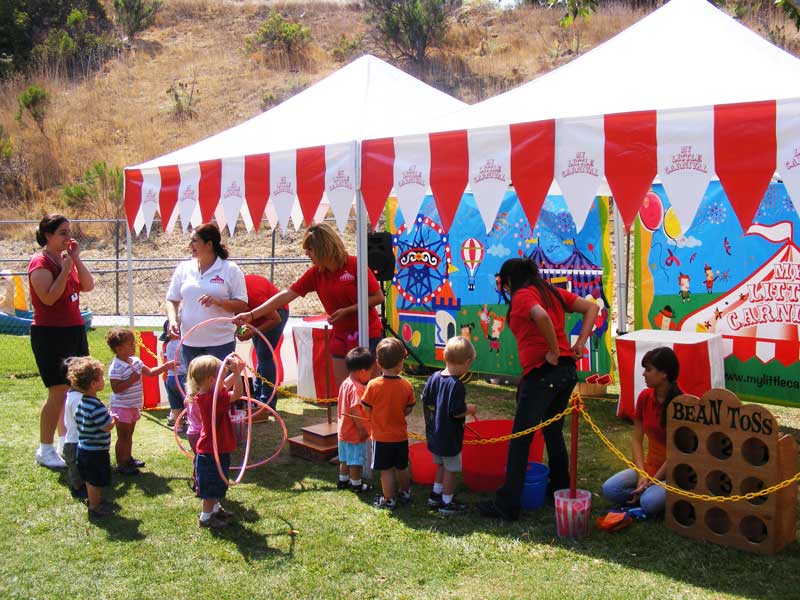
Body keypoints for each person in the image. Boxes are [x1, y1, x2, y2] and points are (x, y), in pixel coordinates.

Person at [478, 258, 599, 521]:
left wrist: (554, 350)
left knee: (521, 438)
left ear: (509, 280)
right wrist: (578, 344)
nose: (505, 289)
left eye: (503, 284)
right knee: (553, 431)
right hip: (566, 373)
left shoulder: (523, 296)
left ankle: (507, 503)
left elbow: (540, 316)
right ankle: (558, 487)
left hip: (544, 374)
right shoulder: (549, 291)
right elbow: (592, 307)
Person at [235, 222, 385, 390]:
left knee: (371, 391)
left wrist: (347, 311)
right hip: (340, 337)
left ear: (323, 248)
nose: (306, 253)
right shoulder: (316, 273)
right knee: (346, 390)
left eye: (310, 249)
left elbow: (378, 297)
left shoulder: (354, 264)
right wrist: (252, 315)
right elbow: (287, 294)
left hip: (367, 333)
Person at [28, 214, 94, 469]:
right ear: (48, 235)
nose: (69, 237)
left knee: (74, 390)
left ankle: (67, 443)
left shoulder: (67, 259)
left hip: (74, 329)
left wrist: (75, 259)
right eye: (63, 233)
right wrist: (66, 268)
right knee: (57, 390)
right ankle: (45, 449)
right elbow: (48, 298)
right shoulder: (41, 262)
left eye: (69, 231)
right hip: (50, 333)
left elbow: (87, 285)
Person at [601, 347, 682, 517]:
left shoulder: (682, 404)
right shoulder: (645, 397)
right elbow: (636, 439)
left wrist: (651, 481)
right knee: (609, 489)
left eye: (648, 369)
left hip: (675, 473)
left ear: (664, 374)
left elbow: (677, 453)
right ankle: (645, 495)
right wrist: (642, 474)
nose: (644, 374)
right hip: (650, 467)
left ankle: (648, 497)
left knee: (648, 502)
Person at [165, 222, 248, 379]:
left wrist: (219, 302)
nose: (191, 245)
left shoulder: (230, 269)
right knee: (196, 392)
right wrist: (172, 321)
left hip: (220, 342)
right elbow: (171, 299)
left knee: (220, 390)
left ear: (209, 244)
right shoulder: (184, 268)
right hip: (190, 341)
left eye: (195, 241)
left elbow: (242, 304)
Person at [106, 328, 174, 474]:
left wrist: (166, 367)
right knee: (123, 436)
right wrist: (131, 380)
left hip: (132, 406)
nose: (134, 345)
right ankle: (121, 464)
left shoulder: (136, 361)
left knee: (129, 435)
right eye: (131, 344)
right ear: (119, 349)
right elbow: (116, 388)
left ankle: (128, 458)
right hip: (122, 407)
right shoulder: (116, 368)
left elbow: (150, 372)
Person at [421, 336, 477, 515]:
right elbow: (456, 411)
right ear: (467, 362)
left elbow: (425, 398)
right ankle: (447, 502)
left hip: (434, 434)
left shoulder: (434, 377)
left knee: (441, 466)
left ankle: (435, 496)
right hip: (449, 437)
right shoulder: (457, 385)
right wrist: (469, 409)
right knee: (451, 470)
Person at [186, 354, 243, 529]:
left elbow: (223, 384)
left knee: (218, 481)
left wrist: (236, 371)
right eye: (221, 375)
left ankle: (216, 509)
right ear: (212, 380)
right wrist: (238, 375)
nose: (223, 380)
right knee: (211, 486)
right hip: (212, 449)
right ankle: (205, 518)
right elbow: (237, 393)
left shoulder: (206, 392)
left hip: (215, 447)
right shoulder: (213, 399)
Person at [361, 338, 415, 510]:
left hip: (381, 436)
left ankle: (388, 498)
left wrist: (376, 416)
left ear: (378, 362)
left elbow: (366, 407)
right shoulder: (406, 385)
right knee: (401, 467)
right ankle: (405, 491)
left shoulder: (373, 385)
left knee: (386, 470)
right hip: (400, 436)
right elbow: (408, 409)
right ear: (401, 363)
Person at [70, 357, 117, 517]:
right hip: (95, 452)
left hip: (83, 449)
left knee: (90, 479)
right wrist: (113, 418)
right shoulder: (96, 406)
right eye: (101, 378)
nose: (104, 380)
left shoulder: (83, 402)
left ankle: (94, 501)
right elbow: (106, 426)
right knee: (94, 481)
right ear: (93, 384)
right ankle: (95, 506)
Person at [236, 273, 289, 411]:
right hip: (257, 317)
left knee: (264, 355)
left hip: (277, 313)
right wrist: (240, 332)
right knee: (260, 355)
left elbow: (275, 319)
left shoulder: (252, 293)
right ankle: (258, 398)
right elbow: (238, 318)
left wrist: (252, 332)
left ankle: (267, 402)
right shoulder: (232, 294)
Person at [336, 346, 374, 493]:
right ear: (362, 371)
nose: (371, 375)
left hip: (343, 432)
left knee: (344, 459)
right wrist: (362, 429)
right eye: (370, 372)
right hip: (354, 433)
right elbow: (355, 409)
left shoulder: (345, 383)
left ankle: (343, 480)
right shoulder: (357, 388)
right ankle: (356, 484)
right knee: (355, 461)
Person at [63, 375, 87, 500]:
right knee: (76, 468)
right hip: (74, 442)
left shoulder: (75, 395)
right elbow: (82, 420)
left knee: (81, 466)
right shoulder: (77, 398)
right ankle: (77, 488)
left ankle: (83, 485)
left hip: (78, 440)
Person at [159, 320, 186, 429]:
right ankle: (192, 422)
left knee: (175, 404)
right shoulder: (183, 343)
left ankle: (178, 425)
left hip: (170, 378)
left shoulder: (167, 344)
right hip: (182, 377)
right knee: (188, 402)